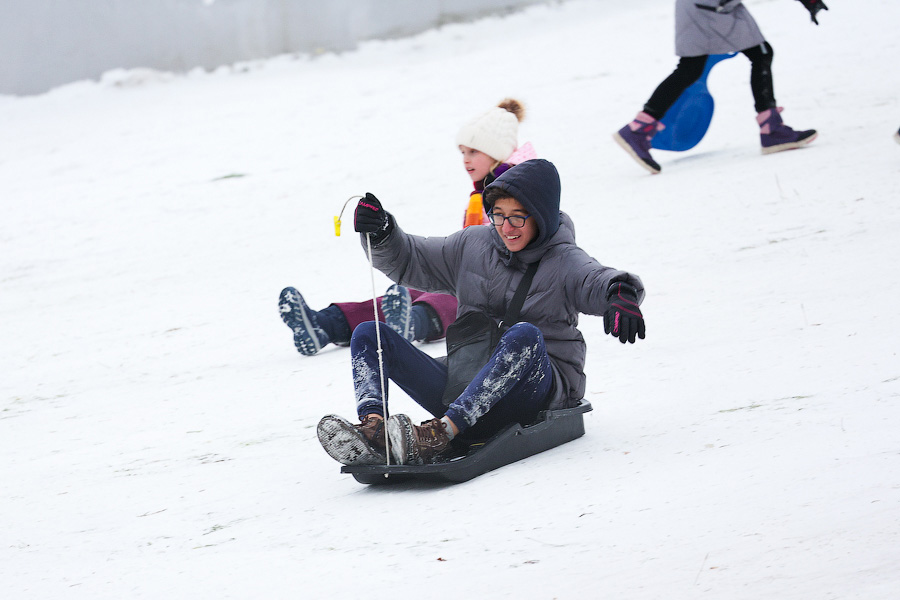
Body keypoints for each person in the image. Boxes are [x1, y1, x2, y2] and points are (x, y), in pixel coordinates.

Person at [316, 159, 646, 467]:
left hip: (533, 390)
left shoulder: (565, 261)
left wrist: (621, 296)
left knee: (524, 334)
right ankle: (373, 432)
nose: (506, 227)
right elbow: (411, 259)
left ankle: (438, 435)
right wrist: (384, 233)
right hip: (468, 382)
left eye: (518, 217)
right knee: (369, 334)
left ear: (541, 216)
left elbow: (598, 280)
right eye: (498, 215)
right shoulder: (472, 245)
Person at [278, 99, 536, 355]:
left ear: (497, 153)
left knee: (453, 294)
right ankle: (325, 325)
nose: (466, 160)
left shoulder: (517, 194)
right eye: (463, 152)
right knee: (411, 290)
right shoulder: (482, 195)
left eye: (474, 152)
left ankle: (413, 323)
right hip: (477, 275)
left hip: (508, 289)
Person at [614, 0, 828, 174]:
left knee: (757, 54)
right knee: (692, 67)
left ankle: (771, 128)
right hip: (705, 7)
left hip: (718, 6)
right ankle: (638, 129)